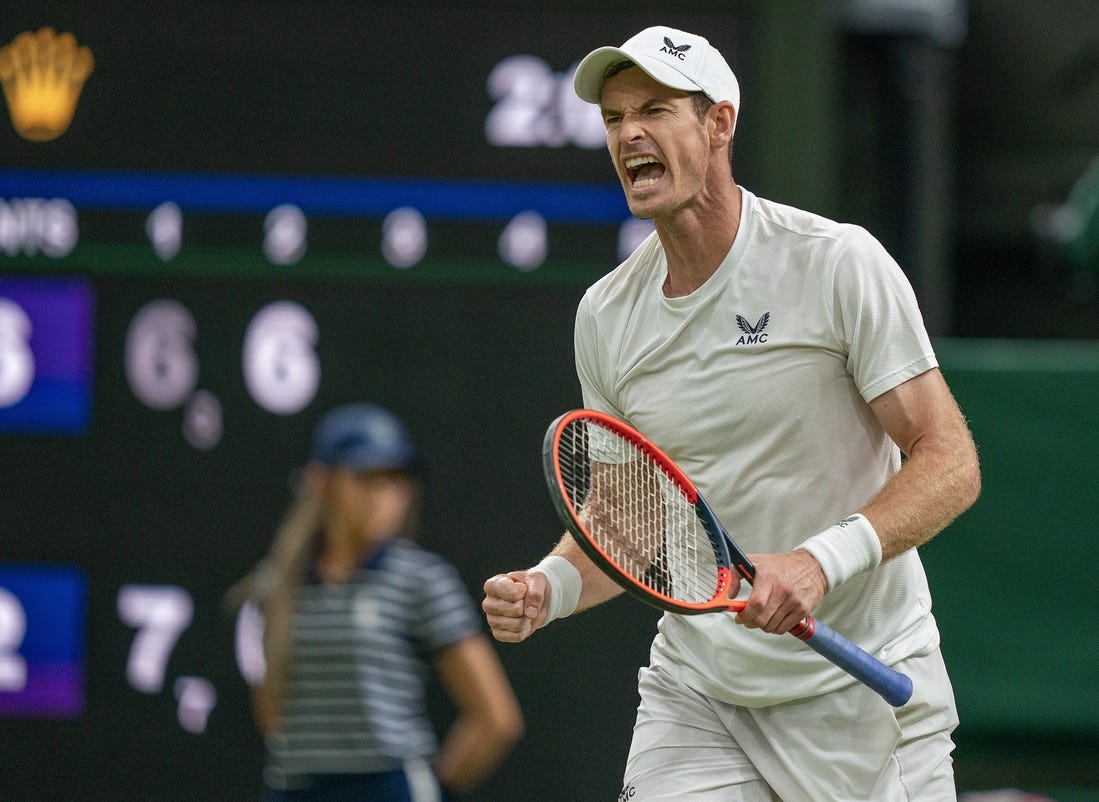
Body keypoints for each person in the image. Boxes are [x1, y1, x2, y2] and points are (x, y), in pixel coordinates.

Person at [482, 24, 980, 802]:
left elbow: (949, 461)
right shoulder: (606, 316)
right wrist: (551, 586)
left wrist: (818, 562)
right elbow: (629, 520)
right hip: (701, 697)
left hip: (869, 695)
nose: (628, 135)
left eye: (653, 109)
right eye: (614, 119)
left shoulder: (836, 264)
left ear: (719, 124)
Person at [233, 402, 524, 801]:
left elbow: (496, 718)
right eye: (367, 479)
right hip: (293, 789)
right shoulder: (275, 586)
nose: (385, 496)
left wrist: (428, 793)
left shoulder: (422, 580)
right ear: (322, 482)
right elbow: (271, 712)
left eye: (396, 480)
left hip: (387, 787)